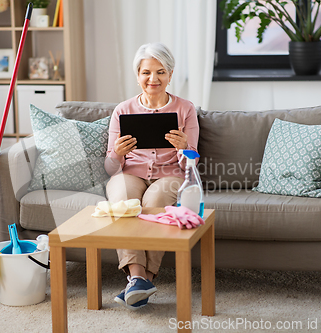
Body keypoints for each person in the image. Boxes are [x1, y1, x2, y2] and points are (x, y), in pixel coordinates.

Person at [104, 42, 200, 310]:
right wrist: (117, 154)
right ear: (137, 76)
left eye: (160, 72)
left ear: (170, 74)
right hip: (129, 173)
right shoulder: (122, 110)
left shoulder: (185, 109)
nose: (153, 79)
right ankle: (138, 277)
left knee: (156, 199)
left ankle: (140, 281)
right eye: (146, 72)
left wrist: (184, 148)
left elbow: (191, 164)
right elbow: (111, 169)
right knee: (122, 199)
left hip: (170, 175)